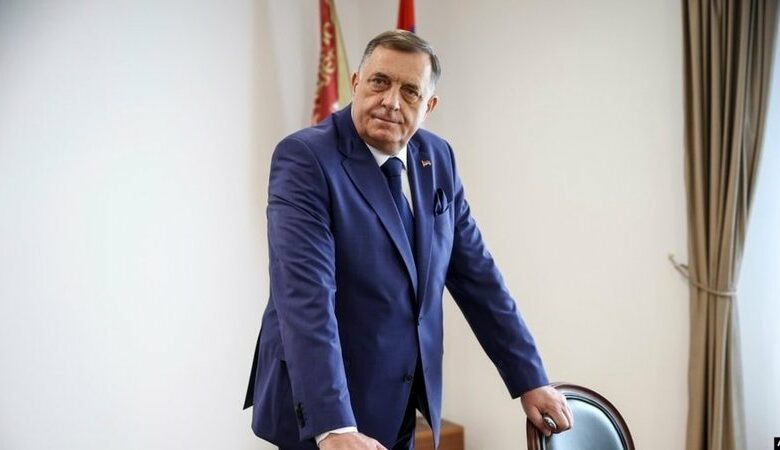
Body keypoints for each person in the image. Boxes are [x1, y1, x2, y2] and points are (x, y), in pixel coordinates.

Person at [244, 30, 572, 450]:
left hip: (401, 401)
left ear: (428, 105)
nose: (391, 101)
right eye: (380, 82)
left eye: (410, 91)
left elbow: (479, 277)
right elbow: (306, 296)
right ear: (356, 82)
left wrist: (530, 378)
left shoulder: (437, 157)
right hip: (323, 410)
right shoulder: (305, 159)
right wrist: (334, 427)